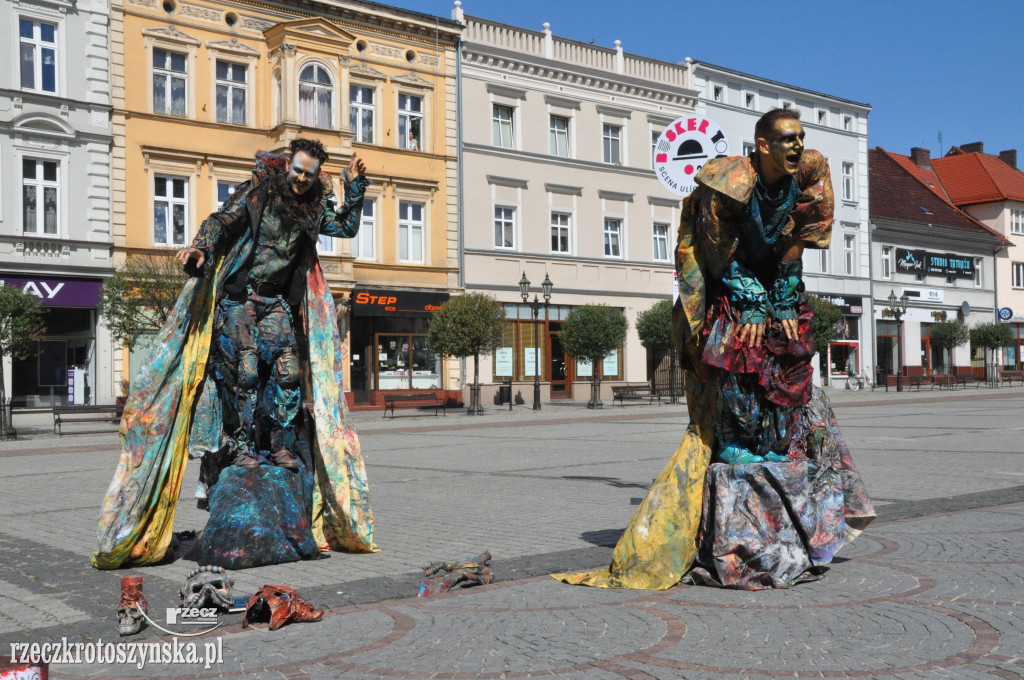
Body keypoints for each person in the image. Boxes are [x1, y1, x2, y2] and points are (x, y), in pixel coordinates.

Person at [555, 109, 875, 590]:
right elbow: (717, 254)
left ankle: (775, 442)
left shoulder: (809, 172)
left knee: (789, 359)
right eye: (786, 139)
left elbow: (800, 241)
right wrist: (749, 300)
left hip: (776, 281)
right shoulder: (728, 183)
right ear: (762, 145)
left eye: (800, 138)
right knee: (738, 357)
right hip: (728, 283)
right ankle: (733, 442)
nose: (796, 146)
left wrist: (783, 293)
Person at [93, 138, 377, 570]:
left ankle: (281, 447)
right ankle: (242, 447)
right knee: (242, 374)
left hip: (278, 303)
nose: (302, 178)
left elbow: (347, 228)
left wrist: (355, 189)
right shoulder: (259, 191)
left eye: (310, 173)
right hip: (239, 298)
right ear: (289, 168)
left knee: (285, 373)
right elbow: (220, 221)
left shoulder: (315, 208)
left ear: (318, 174)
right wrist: (200, 248)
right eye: (297, 170)